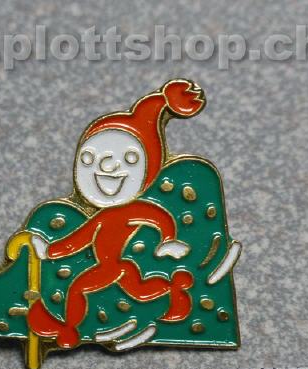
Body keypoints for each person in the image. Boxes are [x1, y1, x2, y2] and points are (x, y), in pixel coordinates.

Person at [27, 79, 206, 348]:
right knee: (139, 290)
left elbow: (157, 217)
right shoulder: (104, 216)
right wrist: (50, 251)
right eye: (89, 159)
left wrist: (168, 241)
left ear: (147, 172)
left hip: (111, 266)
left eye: (130, 159)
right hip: (119, 266)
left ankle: (69, 327)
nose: (107, 166)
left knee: (79, 288)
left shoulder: (127, 210)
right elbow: (79, 240)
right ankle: (173, 290)